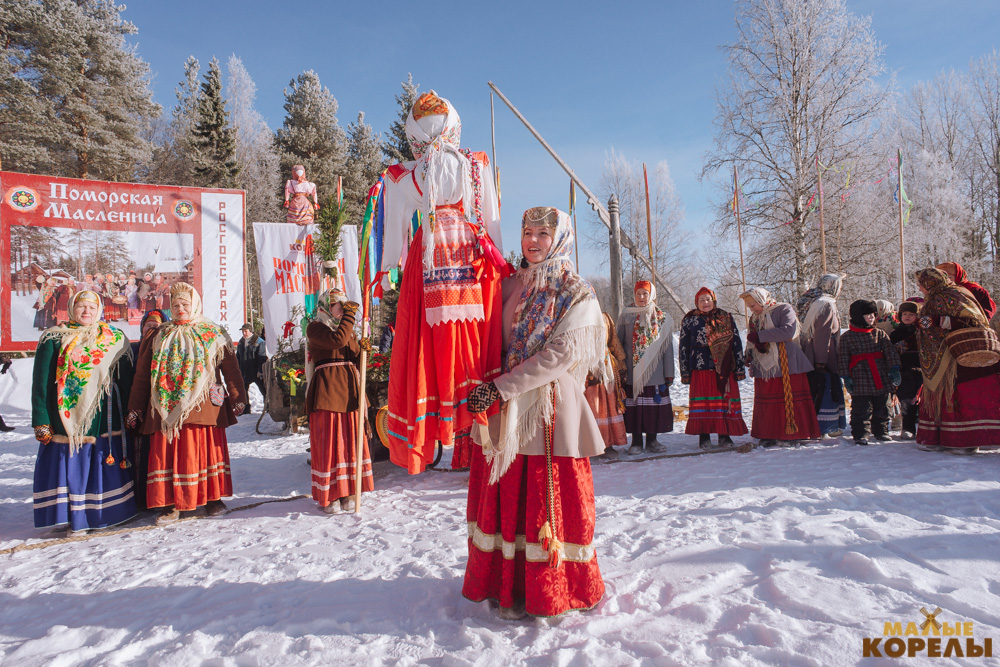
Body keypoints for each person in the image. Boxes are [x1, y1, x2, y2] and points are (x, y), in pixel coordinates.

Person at [463, 206, 606, 620]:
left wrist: (500, 388)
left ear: (560, 239)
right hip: (507, 409)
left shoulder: (576, 291)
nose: (534, 241)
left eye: (544, 233)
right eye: (528, 232)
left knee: (547, 504)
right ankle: (507, 587)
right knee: (509, 500)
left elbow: (560, 355)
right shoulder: (509, 285)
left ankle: (553, 590)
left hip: (548, 413)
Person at [379, 91, 506, 474]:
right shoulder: (475, 163)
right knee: (478, 343)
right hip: (473, 254)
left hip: (429, 254)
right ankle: (482, 431)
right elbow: (493, 219)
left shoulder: (402, 175)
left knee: (425, 344)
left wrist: (387, 268)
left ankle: (443, 422)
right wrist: (499, 260)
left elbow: (395, 230)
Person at [126, 283, 247, 524]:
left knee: (204, 450)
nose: (180, 309)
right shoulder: (160, 334)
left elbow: (230, 368)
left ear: (195, 306)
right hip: (165, 405)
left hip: (203, 405)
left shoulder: (213, 332)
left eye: (185, 304)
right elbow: (142, 375)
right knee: (168, 453)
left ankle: (212, 498)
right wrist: (136, 407)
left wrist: (238, 396)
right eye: (176, 305)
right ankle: (171, 504)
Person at [31, 290, 137, 533]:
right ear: (71, 308)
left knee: (99, 460)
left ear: (99, 310)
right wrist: (41, 419)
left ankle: (105, 513)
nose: (86, 312)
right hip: (64, 417)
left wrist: (133, 410)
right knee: (71, 462)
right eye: (81, 306)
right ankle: (72, 515)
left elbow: (126, 380)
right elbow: (42, 383)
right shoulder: (53, 338)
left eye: (91, 307)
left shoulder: (114, 338)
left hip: (103, 417)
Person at [914, 268, 1000, 454]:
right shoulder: (934, 297)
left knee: (959, 396)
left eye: (921, 285)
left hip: (958, 358)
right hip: (939, 356)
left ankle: (965, 441)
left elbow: (973, 320)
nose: (920, 289)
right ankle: (940, 438)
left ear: (930, 283)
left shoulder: (956, 294)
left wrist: (939, 320)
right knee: (944, 396)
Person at [304, 289, 374, 513]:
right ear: (325, 306)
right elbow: (337, 340)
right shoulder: (315, 328)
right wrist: (351, 317)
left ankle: (350, 490)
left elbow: (355, 358)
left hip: (350, 391)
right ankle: (330, 494)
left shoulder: (348, 329)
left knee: (349, 442)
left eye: (345, 306)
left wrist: (364, 351)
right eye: (338, 306)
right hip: (328, 391)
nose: (343, 310)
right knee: (331, 442)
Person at [741, 287, 820, 447]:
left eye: (753, 305)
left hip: (787, 363)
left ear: (761, 299)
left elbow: (788, 331)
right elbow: (751, 337)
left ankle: (792, 432)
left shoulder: (783, 309)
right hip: (765, 366)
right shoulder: (755, 318)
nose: (752, 309)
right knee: (768, 400)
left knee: (788, 398)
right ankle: (768, 433)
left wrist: (761, 337)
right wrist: (749, 353)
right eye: (750, 307)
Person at [679, 287, 748, 448]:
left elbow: (736, 341)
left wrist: (739, 367)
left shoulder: (725, 317)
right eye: (701, 300)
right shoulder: (690, 320)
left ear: (714, 300)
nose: (705, 303)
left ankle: (724, 436)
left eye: (708, 299)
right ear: (696, 303)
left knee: (723, 402)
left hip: (724, 368)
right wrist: (684, 370)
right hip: (700, 367)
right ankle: (704, 437)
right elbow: (684, 346)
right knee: (705, 404)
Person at [617, 280, 675, 455]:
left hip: (655, 372)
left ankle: (652, 440)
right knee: (634, 408)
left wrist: (669, 374)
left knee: (652, 409)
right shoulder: (626, 315)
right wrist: (618, 370)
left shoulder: (662, 318)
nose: (641, 297)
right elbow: (617, 344)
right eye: (638, 293)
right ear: (633, 295)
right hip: (632, 371)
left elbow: (667, 348)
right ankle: (635, 442)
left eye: (645, 293)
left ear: (652, 296)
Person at [838, 300, 901, 445]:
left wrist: (894, 368)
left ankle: (881, 430)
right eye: (868, 315)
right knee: (861, 408)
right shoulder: (847, 337)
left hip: (880, 374)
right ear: (859, 317)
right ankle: (861, 433)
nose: (872, 318)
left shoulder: (880, 333)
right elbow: (843, 358)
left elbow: (890, 353)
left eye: (873, 315)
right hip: (860, 376)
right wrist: (846, 377)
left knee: (883, 406)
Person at [797, 273, 848, 437]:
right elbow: (823, 334)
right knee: (825, 387)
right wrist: (821, 360)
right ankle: (825, 427)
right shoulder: (826, 304)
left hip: (809, 350)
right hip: (823, 354)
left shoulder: (811, 300)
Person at [128, 308, 169, 509]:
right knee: (136, 455)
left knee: (156, 455)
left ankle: (157, 498)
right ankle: (138, 498)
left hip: (159, 412)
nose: (152, 330)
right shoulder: (131, 351)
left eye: (157, 326)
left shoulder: (168, 350)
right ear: (142, 328)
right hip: (135, 409)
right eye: (149, 326)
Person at [585, 313, 628, 457]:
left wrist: (621, 364)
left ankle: (608, 444)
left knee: (608, 408)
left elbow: (613, 340)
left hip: (606, 367)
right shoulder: (578, 315)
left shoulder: (605, 317)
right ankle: (589, 445)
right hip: (585, 367)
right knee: (591, 407)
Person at [889, 300, 922, 439]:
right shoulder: (895, 334)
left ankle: (923, 429)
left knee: (921, 401)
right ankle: (908, 428)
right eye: (905, 314)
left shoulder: (922, 332)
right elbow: (891, 353)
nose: (907, 317)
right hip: (904, 371)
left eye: (911, 314)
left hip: (922, 370)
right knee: (907, 400)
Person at [236, 323, 268, 414]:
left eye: (245, 331)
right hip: (244, 371)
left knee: (263, 390)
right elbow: (238, 356)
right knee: (243, 391)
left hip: (255, 371)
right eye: (242, 331)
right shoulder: (241, 342)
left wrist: (260, 370)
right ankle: (246, 409)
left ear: (250, 331)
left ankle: (267, 407)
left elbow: (262, 357)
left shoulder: (259, 341)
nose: (244, 333)